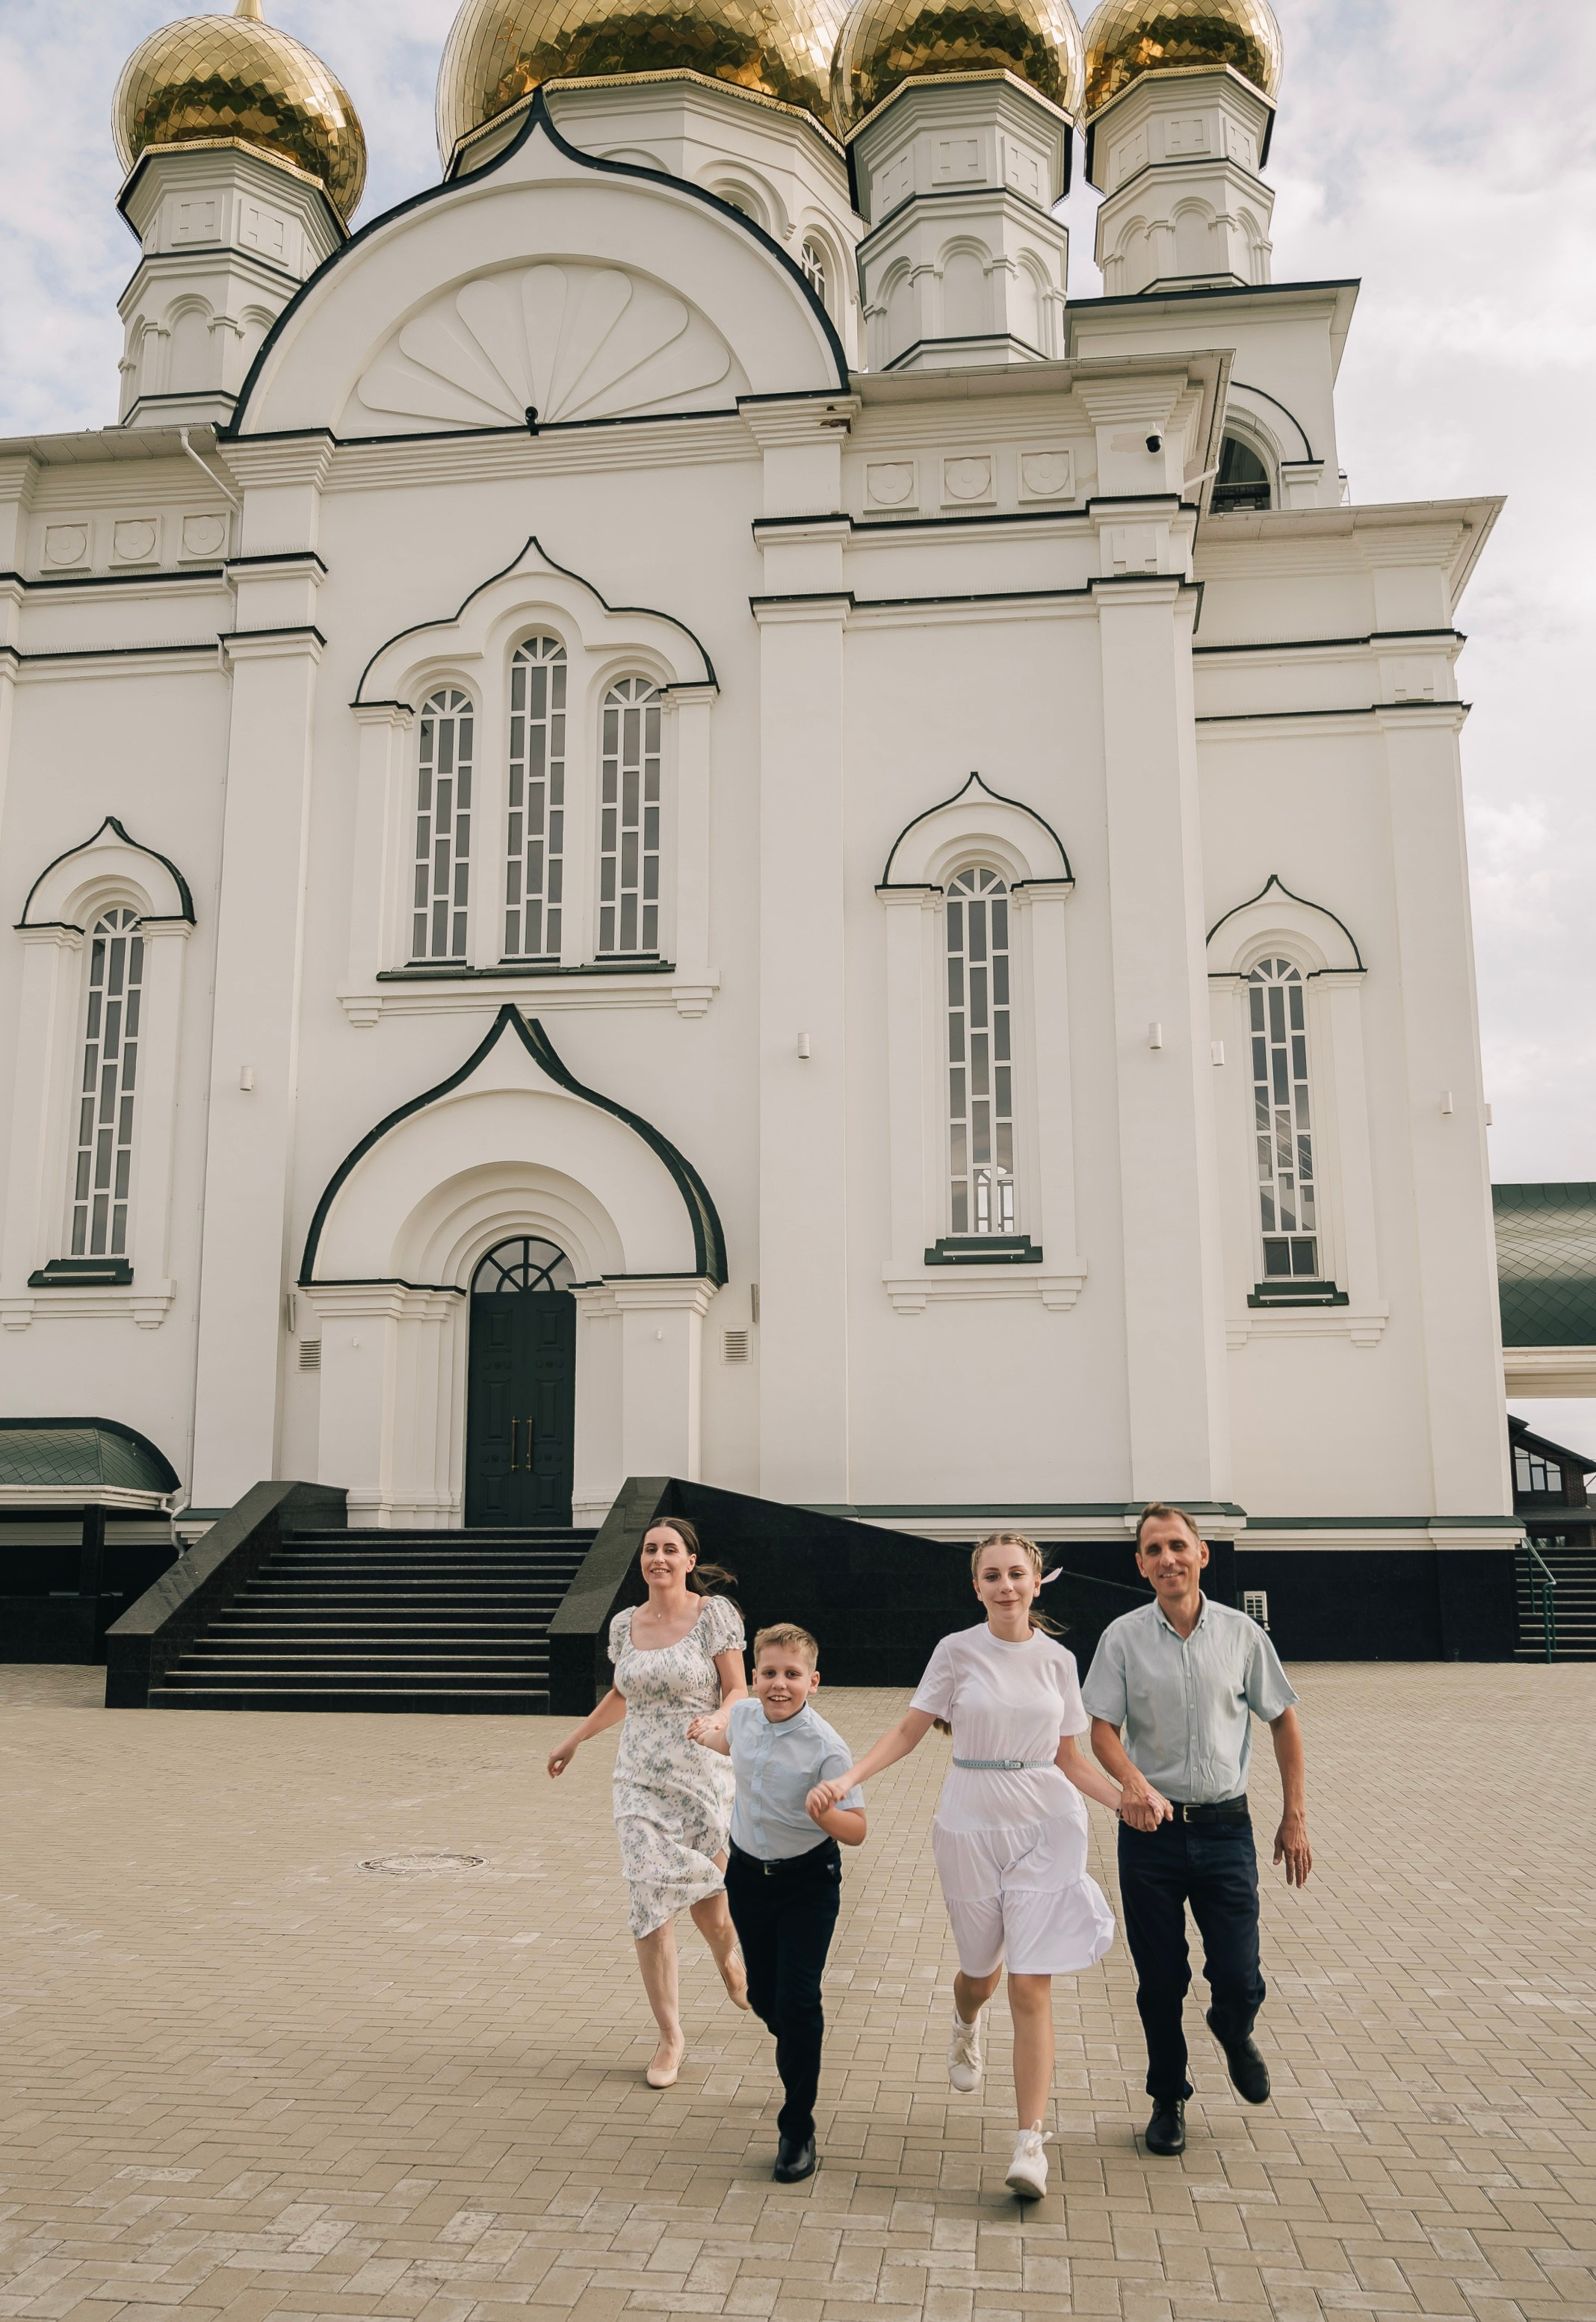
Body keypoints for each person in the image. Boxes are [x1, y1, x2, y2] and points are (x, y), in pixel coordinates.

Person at [805, 1533, 1122, 2201]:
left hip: (1047, 1820)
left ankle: (1030, 2142)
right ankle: (964, 2021)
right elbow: (908, 1730)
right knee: (981, 1975)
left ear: (1038, 1582)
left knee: (1030, 1984)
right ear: (976, 1586)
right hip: (970, 1820)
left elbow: (1070, 1756)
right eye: (992, 1576)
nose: (1006, 1585)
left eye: (1017, 1574)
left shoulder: (1060, 1660)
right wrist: (848, 1780)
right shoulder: (955, 1652)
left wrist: (1128, 1801)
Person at [1081, 1502, 1312, 2159]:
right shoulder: (1122, 1638)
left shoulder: (1242, 1635)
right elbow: (1101, 1728)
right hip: (1150, 1835)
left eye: (1177, 1546)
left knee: (1238, 1976)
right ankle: (1167, 2096)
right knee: (1159, 1978)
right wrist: (1132, 1782)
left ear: (1202, 1554)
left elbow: (1284, 1721)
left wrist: (1293, 1815)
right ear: (1140, 1565)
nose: (1167, 1560)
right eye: (1153, 1550)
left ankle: (1233, 2030)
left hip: (1225, 1832)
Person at [547, 1516, 750, 2087]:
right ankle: (669, 2037)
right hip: (637, 1778)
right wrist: (575, 1739)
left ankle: (731, 1959)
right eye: (650, 1550)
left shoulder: (714, 1615)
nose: (658, 1558)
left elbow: (737, 1687)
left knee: (710, 1907)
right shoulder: (623, 1624)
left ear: (689, 1560)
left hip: (703, 1772)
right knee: (648, 1895)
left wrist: (720, 1715)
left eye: (670, 1550)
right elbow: (621, 1693)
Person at [688, 1623, 865, 2184]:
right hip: (746, 1876)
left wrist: (826, 1814)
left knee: (797, 2000)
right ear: (757, 1677)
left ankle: (798, 2127)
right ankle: (795, 2043)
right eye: (769, 1673)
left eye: (792, 1675)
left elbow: (857, 1829)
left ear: (812, 1682)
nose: (779, 1685)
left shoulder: (827, 1748)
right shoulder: (742, 1717)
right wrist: (705, 1734)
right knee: (766, 1997)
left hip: (808, 1883)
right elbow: (735, 1745)